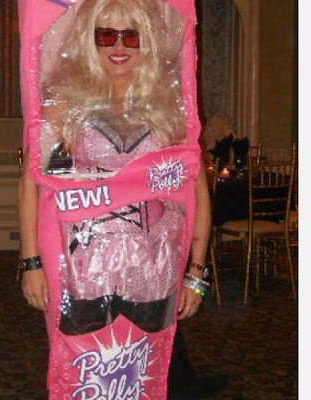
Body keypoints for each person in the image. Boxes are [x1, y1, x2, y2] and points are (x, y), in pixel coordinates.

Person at [18, 0, 214, 397]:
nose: (119, 46)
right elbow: (33, 186)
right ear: (88, 41)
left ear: (147, 41)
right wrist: (31, 262)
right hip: (83, 271)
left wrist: (196, 273)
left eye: (131, 35)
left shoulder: (169, 111)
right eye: (106, 35)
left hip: (154, 267)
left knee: (143, 377)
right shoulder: (64, 107)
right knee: (82, 376)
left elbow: (195, 191)